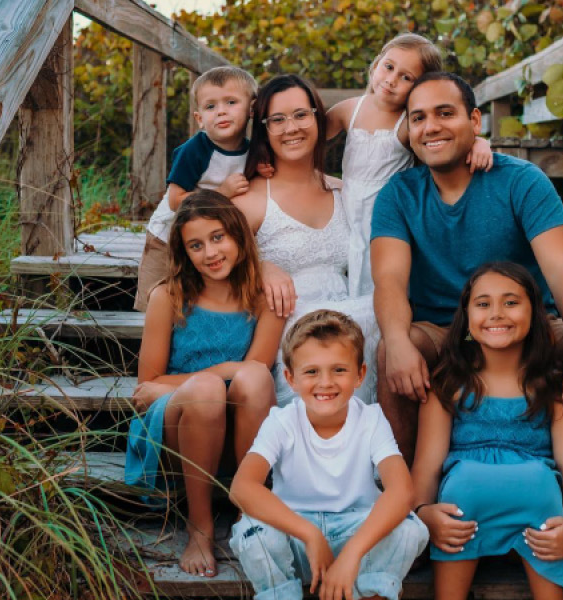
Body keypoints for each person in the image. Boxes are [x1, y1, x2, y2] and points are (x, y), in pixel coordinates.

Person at [370, 72, 563, 579]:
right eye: (419, 118)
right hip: (442, 326)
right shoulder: (399, 194)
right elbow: (389, 279)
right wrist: (395, 337)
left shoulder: (521, 181)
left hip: (525, 323)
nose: (431, 126)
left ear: (475, 120)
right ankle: (414, 517)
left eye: (445, 113)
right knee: (393, 350)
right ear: (408, 130)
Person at [125, 190, 284, 577]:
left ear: (238, 237)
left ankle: (250, 511)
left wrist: (228, 369)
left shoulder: (264, 299)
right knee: (208, 390)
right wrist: (218, 375)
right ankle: (200, 526)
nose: (210, 253)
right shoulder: (168, 297)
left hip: (240, 431)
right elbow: (147, 389)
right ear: (184, 252)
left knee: (254, 376)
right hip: (177, 431)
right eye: (196, 245)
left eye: (218, 238)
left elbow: (256, 370)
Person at [412, 262, 563, 599]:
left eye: (511, 302)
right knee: (463, 486)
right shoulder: (447, 386)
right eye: (483, 304)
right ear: (466, 318)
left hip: (539, 511)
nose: (496, 313)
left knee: (540, 484)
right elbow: (426, 466)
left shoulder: (554, 389)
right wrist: (424, 513)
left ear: (534, 314)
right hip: (462, 514)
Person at [229, 310, 428, 600]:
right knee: (252, 532)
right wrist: (310, 534)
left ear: (360, 375)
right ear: (290, 378)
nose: (325, 382)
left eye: (339, 370)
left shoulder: (371, 419)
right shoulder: (282, 421)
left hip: (356, 536)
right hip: (296, 540)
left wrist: (352, 554)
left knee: (411, 528)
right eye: (311, 371)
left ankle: (368, 594)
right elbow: (242, 487)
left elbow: (401, 491)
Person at [232, 74, 380, 405]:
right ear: (264, 130)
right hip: (289, 338)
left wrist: (477, 144)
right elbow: (212, 262)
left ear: (318, 118)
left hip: (354, 330)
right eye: (277, 120)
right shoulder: (250, 199)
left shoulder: (343, 191)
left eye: (301, 114)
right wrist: (259, 266)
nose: (292, 128)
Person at [323, 33, 491, 296]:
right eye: (389, 67)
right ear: (377, 63)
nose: (391, 80)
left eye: (406, 77)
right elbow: (310, 139)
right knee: (348, 257)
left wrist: (479, 143)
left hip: (386, 207)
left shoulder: (407, 122)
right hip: (348, 202)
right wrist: (316, 177)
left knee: (378, 267)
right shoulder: (350, 109)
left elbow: (444, 143)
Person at [135, 66, 258, 311]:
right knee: (155, 296)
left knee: (191, 298)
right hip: (166, 237)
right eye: (210, 106)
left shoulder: (253, 151)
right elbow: (175, 200)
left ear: (252, 109)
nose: (221, 111)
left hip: (205, 240)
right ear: (199, 118)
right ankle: (151, 329)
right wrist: (221, 194)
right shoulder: (194, 150)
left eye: (231, 102)